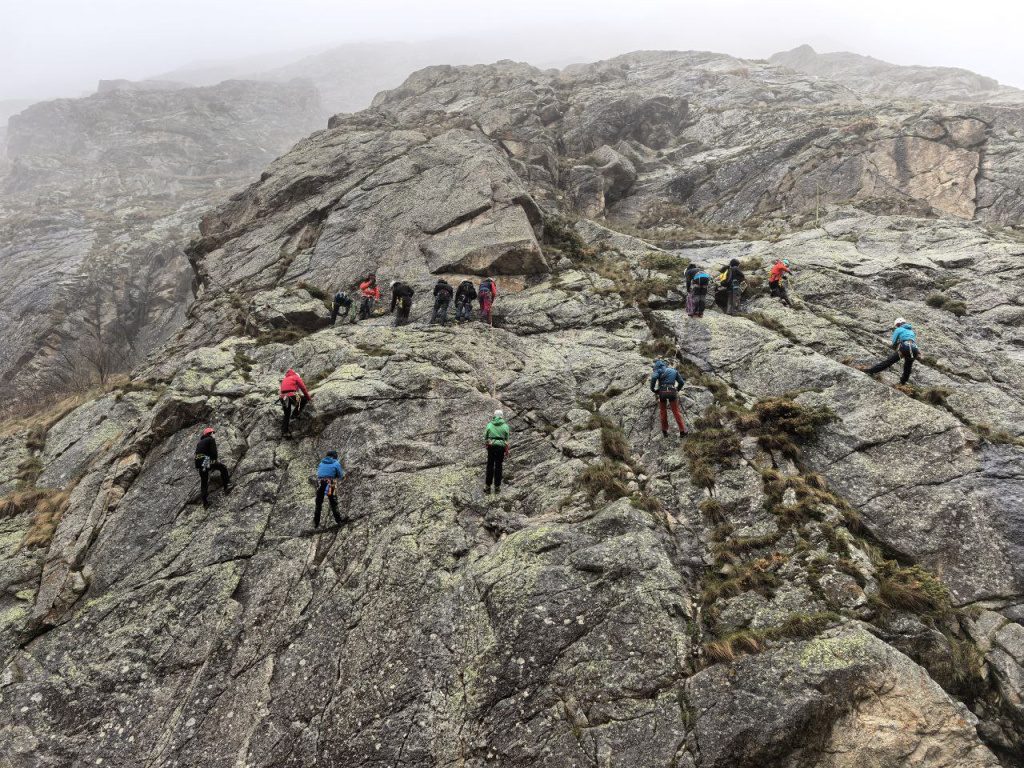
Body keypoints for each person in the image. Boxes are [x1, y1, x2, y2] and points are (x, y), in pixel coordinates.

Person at [864, 318, 920, 385]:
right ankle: (903, 382)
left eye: (897, 325)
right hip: (915, 349)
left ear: (898, 324)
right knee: (907, 367)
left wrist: (895, 346)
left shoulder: (899, 329)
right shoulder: (911, 331)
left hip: (906, 347)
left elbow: (894, 342)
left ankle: (871, 371)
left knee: (889, 361)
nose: (896, 326)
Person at [194, 427, 231, 508]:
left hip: (199, 463)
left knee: (204, 481)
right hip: (206, 460)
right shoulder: (210, 439)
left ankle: (205, 502)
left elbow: (197, 454)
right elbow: (213, 452)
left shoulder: (199, 443)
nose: (215, 435)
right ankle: (227, 486)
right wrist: (214, 461)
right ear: (211, 434)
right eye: (214, 433)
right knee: (223, 468)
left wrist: (200, 466)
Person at [650, 360, 687, 438]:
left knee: (663, 411)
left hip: (662, 393)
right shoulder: (674, 371)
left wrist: (653, 389)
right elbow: (682, 382)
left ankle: (664, 431)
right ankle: (682, 431)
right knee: (676, 412)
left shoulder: (658, 370)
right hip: (672, 392)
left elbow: (654, 377)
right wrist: (677, 389)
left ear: (657, 367)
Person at [314, 450, 345, 528]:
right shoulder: (336, 463)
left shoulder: (321, 463)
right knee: (333, 502)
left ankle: (316, 522)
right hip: (331, 482)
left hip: (320, 483)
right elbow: (340, 476)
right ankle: (339, 521)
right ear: (334, 456)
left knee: (318, 502)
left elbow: (320, 473)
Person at [484, 408, 510, 494]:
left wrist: (487, 442)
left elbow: (485, 436)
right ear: (502, 416)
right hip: (501, 447)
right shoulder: (505, 426)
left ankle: (488, 486)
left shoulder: (490, 425)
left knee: (490, 465)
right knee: (498, 466)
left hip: (491, 446)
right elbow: (507, 438)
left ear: (494, 416)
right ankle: (497, 487)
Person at [279, 368, 312, 437]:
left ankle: (284, 432)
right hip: (291, 395)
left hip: (283, 397)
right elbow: (303, 388)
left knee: (286, 414)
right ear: (294, 372)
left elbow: (282, 390)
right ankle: (295, 414)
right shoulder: (295, 377)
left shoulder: (284, 379)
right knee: (303, 399)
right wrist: (309, 398)